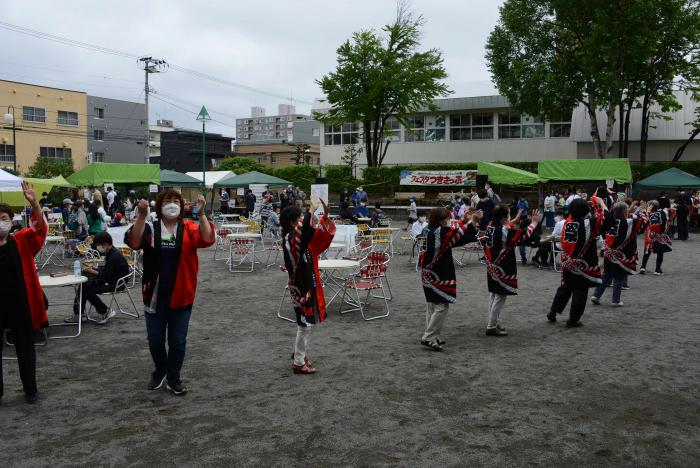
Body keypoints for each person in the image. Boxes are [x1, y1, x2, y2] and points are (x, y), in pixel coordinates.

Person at [126, 189, 215, 395]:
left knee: (178, 340)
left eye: (177, 200)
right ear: (159, 205)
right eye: (168, 200)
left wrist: (201, 214)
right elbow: (134, 242)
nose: (173, 204)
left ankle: (174, 377)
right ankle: (160, 369)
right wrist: (141, 216)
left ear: (183, 205)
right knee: (155, 339)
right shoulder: (150, 227)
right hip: (154, 295)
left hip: (182, 293)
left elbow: (207, 238)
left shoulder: (189, 226)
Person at [0, 182, 47, 405]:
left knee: (25, 350)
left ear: (12, 221)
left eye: (4, 218)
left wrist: (34, 203)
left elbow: (39, 229)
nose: (1, 222)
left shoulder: (20, 241)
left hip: (20, 305)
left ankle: (31, 390)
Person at [281, 198, 335, 374]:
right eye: (299, 219)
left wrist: (325, 216)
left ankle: (299, 353)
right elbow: (305, 231)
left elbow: (318, 237)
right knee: (305, 324)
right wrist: (311, 209)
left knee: (306, 324)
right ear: (292, 222)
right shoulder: (290, 240)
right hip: (301, 287)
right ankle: (298, 361)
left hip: (306, 284)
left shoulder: (300, 241)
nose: (302, 222)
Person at [420, 207, 482, 351]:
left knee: (432, 306)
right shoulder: (440, 233)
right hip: (438, 273)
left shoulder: (432, 230)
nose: (450, 220)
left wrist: (465, 220)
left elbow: (453, 233)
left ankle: (432, 335)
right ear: (442, 220)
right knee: (441, 306)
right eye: (448, 218)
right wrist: (472, 222)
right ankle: (428, 337)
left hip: (429, 272)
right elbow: (456, 235)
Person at [547, 196, 607, 328]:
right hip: (583, 263)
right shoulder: (587, 224)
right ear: (585, 211)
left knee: (565, 288)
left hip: (568, 262)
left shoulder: (568, 222)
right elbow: (605, 217)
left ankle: (553, 311)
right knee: (580, 291)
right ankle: (573, 319)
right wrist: (600, 203)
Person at [482, 206, 541, 336]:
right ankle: (491, 326)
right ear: (503, 217)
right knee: (500, 295)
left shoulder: (490, 225)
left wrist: (515, 220)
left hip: (492, 264)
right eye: (508, 215)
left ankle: (493, 322)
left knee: (494, 293)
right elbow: (522, 236)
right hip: (503, 264)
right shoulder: (503, 229)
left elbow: (506, 227)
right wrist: (534, 223)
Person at [591, 201, 648, 307]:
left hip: (609, 252)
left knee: (606, 275)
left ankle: (596, 295)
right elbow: (644, 221)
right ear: (625, 211)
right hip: (621, 255)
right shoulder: (628, 222)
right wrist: (645, 210)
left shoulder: (609, 221)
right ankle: (615, 300)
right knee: (618, 277)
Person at [69, 232, 129, 324]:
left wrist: (92, 271)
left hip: (116, 284)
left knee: (87, 289)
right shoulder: (112, 252)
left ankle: (105, 311)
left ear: (105, 244)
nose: (97, 247)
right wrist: (93, 268)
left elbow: (106, 276)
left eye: (98, 245)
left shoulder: (114, 256)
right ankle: (79, 314)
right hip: (113, 280)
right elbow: (107, 271)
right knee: (84, 285)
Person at [640, 199, 675, 275]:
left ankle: (642, 267)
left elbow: (643, 223)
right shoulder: (663, 213)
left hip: (650, 235)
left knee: (647, 251)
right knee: (660, 253)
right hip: (660, 235)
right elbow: (670, 217)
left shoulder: (647, 214)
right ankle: (657, 269)